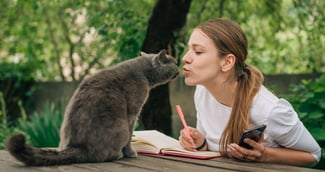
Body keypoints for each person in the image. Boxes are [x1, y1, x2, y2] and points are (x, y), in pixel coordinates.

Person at [178, 18, 321, 166]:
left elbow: (313, 155)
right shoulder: (203, 92)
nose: (185, 58)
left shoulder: (269, 110)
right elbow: (214, 152)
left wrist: (264, 155)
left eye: (198, 51)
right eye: (189, 49)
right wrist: (200, 143)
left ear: (227, 62)